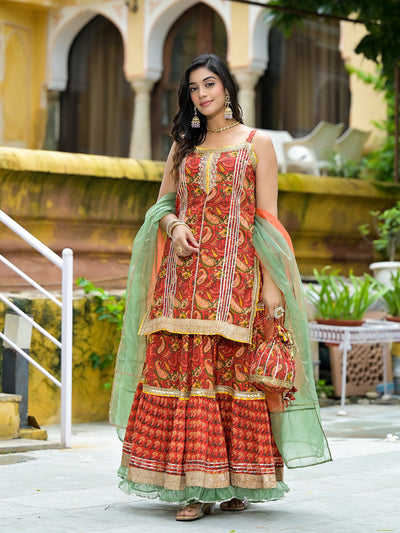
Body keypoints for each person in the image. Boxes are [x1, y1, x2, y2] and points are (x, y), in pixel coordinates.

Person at [110, 53, 331, 522]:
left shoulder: (257, 144)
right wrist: (172, 228)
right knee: (186, 379)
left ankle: (234, 485)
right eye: (193, 88)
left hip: (235, 284)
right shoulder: (182, 145)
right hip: (181, 284)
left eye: (209, 84)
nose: (202, 94)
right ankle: (195, 488)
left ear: (227, 87)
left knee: (229, 381)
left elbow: (267, 221)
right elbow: (162, 205)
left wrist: (273, 287)